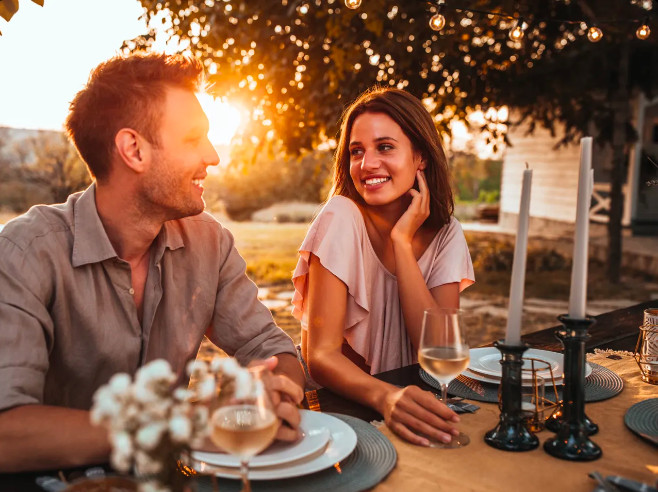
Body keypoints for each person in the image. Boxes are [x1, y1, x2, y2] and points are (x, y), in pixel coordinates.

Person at [0, 53, 304, 472]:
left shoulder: (209, 242)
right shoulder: (26, 251)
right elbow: (6, 433)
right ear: (134, 150)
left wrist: (272, 393)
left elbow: (273, 350)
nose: (213, 156)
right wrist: (183, 425)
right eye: (194, 138)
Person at [292, 87, 475, 446]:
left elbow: (434, 350)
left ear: (420, 156)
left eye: (385, 147)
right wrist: (387, 397)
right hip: (343, 414)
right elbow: (321, 358)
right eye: (356, 151)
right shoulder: (340, 216)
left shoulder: (447, 233)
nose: (367, 164)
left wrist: (402, 245)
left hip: (412, 402)